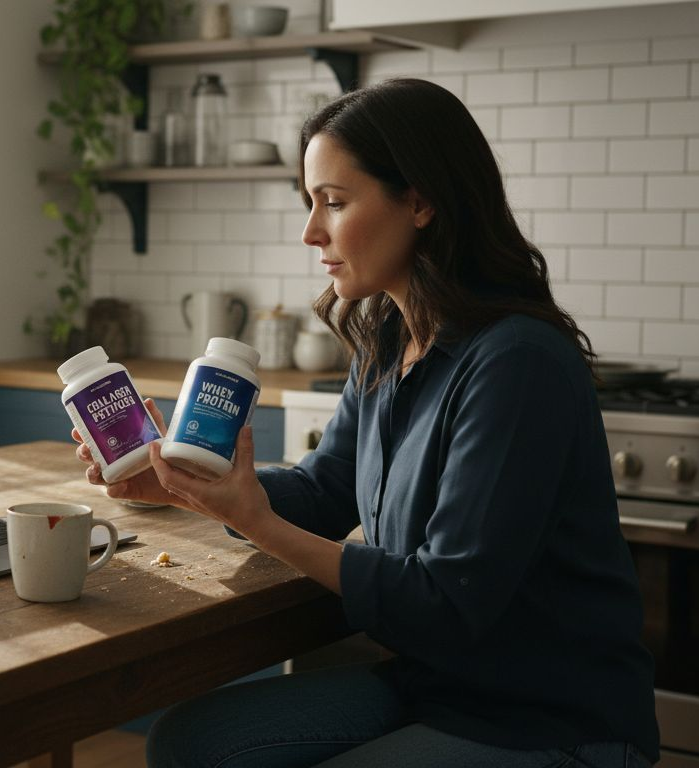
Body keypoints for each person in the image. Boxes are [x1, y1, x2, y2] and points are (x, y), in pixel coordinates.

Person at [72, 78, 659, 768]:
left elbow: (447, 601)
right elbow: (325, 492)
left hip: (546, 717)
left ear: (420, 200)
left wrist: (259, 523)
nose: (310, 231)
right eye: (310, 203)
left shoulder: (517, 364)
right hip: (436, 683)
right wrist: (187, 485)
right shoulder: (387, 338)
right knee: (190, 740)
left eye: (335, 202)